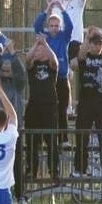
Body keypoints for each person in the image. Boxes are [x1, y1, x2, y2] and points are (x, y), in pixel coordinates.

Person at [0, 41, 27, 204]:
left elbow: (22, 74)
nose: (5, 72)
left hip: (13, 129)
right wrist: (2, 55)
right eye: (3, 70)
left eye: (8, 70)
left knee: (17, 163)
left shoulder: (18, 85)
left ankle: (21, 196)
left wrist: (13, 55)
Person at [72, 27, 102, 176]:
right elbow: (80, 55)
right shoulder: (85, 57)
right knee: (82, 136)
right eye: (95, 43)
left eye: (100, 43)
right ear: (90, 44)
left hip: (101, 101)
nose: (98, 46)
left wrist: (101, 33)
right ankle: (80, 169)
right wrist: (87, 37)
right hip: (85, 101)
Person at [34, 0, 73, 145]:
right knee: (49, 110)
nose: (54, 28)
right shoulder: (45, 36)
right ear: (48, 26)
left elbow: (70, 26)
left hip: (61, 78)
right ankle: (48, 139)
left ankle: (64, 139)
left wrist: (62, 9)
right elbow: (36, 25)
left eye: (56, 26)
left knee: (62, 109)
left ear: (60, 26)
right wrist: (47, 9)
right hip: (47, 79)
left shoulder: (64, 36)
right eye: (51, 25)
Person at [24, 36, 60, 182]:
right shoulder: (32, 66)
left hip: (49, 106)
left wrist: (45, 44)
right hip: (33, 106)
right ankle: (31, 169)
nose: (38, 52)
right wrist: (36, 44)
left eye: (41, 50)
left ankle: (54, 170)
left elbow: (55, 62)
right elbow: (27, 60)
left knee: (51, 140)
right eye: (37, 50)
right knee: (32, 140)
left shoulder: (50, 65)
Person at [44, 0, 87, 71]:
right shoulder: (55, 1)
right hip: (58, 39)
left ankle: (71, 77)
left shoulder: (78, 2)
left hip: (74, 40)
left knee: (74, 65)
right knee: (54, 66)